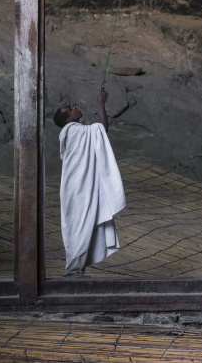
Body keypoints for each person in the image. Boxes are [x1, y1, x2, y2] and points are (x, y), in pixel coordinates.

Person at [53, 87, 126, 277]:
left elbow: (97, 134)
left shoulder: (73, 132)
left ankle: (76, 270)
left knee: (81, 225)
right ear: (69, 120)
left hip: (77, 189)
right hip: (78, 190)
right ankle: (73, 271)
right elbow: (102, 130)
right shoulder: (73, 131)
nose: (75, 107)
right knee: (80, 226)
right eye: (71, 109)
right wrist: (101, 104)